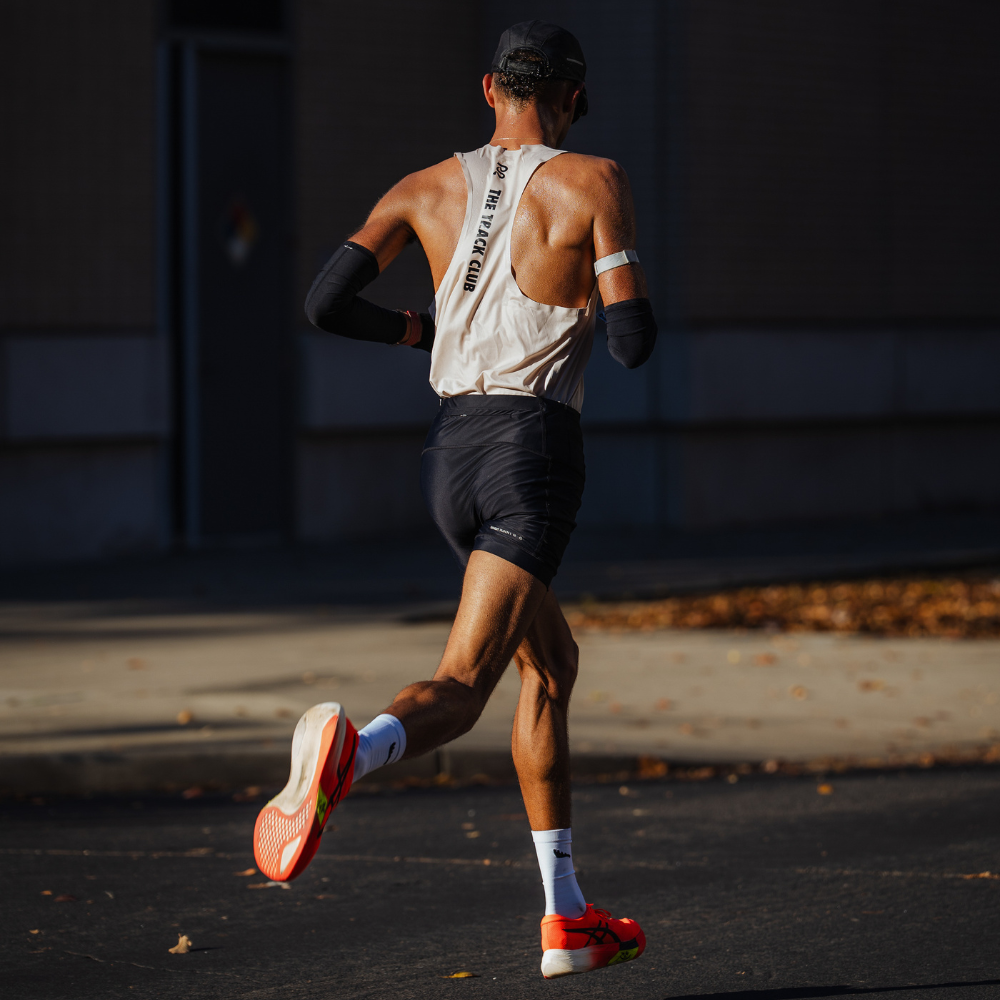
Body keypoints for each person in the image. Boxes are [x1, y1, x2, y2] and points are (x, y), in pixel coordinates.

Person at [253, 20, 657, 979]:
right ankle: (358, 747)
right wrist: (604, 288)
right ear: (574, 97)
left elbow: (323, 303)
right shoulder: (592, 181)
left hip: (449, 459)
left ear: (489, 90)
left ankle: (567, 918)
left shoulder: (421, 187)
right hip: (533, 451)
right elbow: (635, 343)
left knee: (550, 664)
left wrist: (411, 332)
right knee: (467, 686)